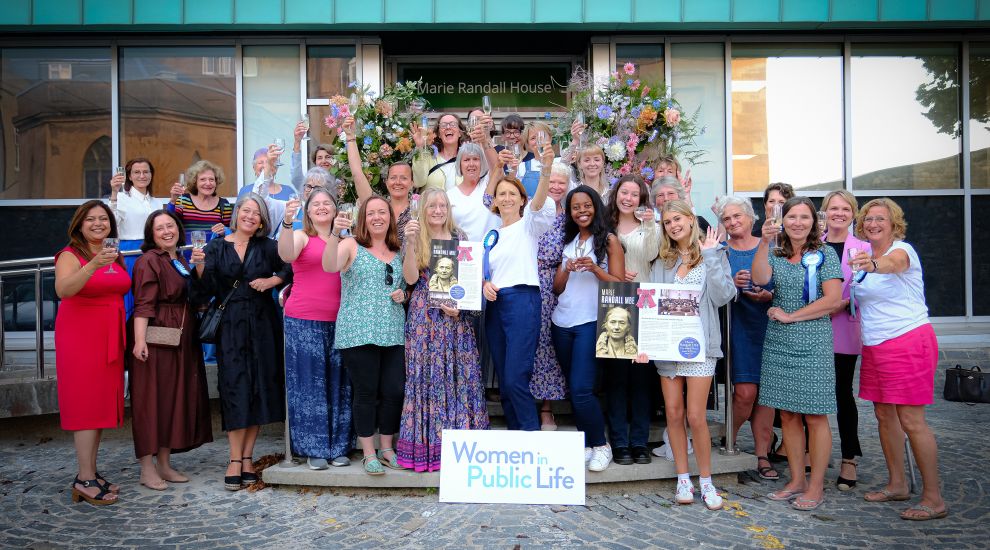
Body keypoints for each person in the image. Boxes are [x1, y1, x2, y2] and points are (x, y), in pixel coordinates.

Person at [850, 198, 946, 521]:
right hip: (876, 346)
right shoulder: (862, 257)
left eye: (880, 219)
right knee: (883, 415)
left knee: (911, 420)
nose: (873, 224)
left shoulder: (901, 251)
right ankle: (897, 484)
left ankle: (934, 498)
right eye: (868, 219)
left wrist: (874, 266)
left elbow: (895, 265)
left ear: (894, 224)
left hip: (907, 340)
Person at [191, 194, 289, 491]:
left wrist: (272, 282)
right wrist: (198, 267)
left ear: (262, 220)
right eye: (245, 211)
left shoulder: (268, 246)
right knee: (235, 387)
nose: (250, 216)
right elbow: (201, 292)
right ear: (236, 214)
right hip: (231, 324)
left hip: (262, 323)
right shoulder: (216, 247)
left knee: (258, 386)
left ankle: (248, 457)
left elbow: (289, 269)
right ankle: (234, 459)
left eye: (256, 213)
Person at [751, 196, 842, 512]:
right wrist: (763, 242)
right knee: (787, 414)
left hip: (813, 339)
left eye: (804, 217)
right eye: (792, 217)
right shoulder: (776, 252)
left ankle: (816, 485)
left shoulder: (825, 253)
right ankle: (797, 480)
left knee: (815, 415)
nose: (798, 222)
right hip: (779, 340)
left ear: (814, 222)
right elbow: (761, 279)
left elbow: (832, 300)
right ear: (783, 220)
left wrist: (793, 315)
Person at [643, 200, 735, 510]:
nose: (673, 225)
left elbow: (724, 297)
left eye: (677, 218)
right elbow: (651, 305)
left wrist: (709, 256)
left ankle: (706, 481)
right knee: (673, 413)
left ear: (690, 219)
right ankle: (683, 478)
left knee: (696, 417)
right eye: (667, 222)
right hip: (668, 347)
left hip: (700, 346)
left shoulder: (714, 252)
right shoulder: (661, 262)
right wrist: (644, 345)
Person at [397, 188, 488, 472]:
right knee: (427, 378)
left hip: (455, 319)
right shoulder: (414, 236)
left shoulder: (460, 237)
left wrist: (459, 306)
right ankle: (428, 448)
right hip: (425, 317)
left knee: (459, 376)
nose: (438, 210)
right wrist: (410, 243)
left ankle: (463, 449)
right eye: (432, 205)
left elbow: (470, 281)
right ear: (423, 209)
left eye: (443, 205)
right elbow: (410, 278)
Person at [322, 195, 407, 475]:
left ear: (390, 218)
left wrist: (403, 294)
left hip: (392, 330)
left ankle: (387, 448)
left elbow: (410, 282)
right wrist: (335, 233)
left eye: (382, 212)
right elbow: (329, 266)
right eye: (371, 213)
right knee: (366, 392)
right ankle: (368, 452)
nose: (377, 217)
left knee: (393, 391)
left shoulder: (399, 249)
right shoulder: (350, 245)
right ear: (363, 219)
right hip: (358, 331)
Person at [129, 209, 213, 489]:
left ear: (179, 229)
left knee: (173, 400)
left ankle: (164, 464)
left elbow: (198, 295)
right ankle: (146, 467)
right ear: (151, 235)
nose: (167, 231)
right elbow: (143, 303)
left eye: (170, 226)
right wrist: (140, 341)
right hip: (157, 336)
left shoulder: (180, 260)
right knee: (152, 401)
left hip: (182, 337)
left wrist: (199, 268)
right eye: (159, 228)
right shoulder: (148, 261)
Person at [54, 200, 130, 505]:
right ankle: (84, 478)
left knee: (98, 405)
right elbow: (63, 290)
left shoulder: (113, 253)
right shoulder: (70, 254)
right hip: (81, 337)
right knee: (85, 406)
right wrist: (92, 266)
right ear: (79, 224)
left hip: (109, 335)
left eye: (103, 219)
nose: (98, 224)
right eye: (91, 220)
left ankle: (91, 472)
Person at [277, 187, 353, 470]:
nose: (321, 207)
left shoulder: (346, 240)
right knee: (309, 386)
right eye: (316, 204)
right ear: (307, 211)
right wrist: (287, 221)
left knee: (339, 384)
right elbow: (285, 254)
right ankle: (313, 448)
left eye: (327, 203)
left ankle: (339, 446)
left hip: (342, 320)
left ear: (336, 210)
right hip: (303, 319)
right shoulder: (300, 236)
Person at [552, 185, 625, 472]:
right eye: (575, 207)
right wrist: (567, 268)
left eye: (586, 205)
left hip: (591, 321)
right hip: (562, 322)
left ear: (596, 206)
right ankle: (585, 443)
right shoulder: (568, 239)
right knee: (574, 387)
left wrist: (595, 269)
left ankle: (601, 444)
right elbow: (557, 288)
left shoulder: (608, 240)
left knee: (583, 389)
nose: (581, 211)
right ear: (570, 212)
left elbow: (620, 284)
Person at [482, 147, 556, 431]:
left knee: (516, 377)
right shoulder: (492, 234)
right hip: (496, 304)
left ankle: (531, 437)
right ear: (496, 201)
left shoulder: (529, 225)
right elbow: (484, 270)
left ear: (522, 199)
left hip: (523, 301)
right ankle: (517, 437)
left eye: (513, 194)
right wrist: (485, 284)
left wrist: (546, 169)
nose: (507, 198)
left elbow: (539, 203)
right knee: (504, 379)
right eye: (502, 194)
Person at [717, 196, 777, 480]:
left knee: (766, 394)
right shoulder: (720, 250)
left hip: (769, 325)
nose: (732, 222)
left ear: (751, 217)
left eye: (737, 216)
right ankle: (729, 437)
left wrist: (771, 294)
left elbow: (783, 283)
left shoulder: (771, 246)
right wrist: (733, 285)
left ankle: (762, 453)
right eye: (727, 218)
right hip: (737, 325)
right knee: (745, 392)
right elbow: (712, 287)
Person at [603, 174, 658, 465]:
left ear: (641, 199)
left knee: (640, 379)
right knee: (616, 380)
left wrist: (650, 224)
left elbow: (651, 253)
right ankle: (619, 442)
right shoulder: (605, 225)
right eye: (624, 192)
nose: (628, 198)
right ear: (616, 194)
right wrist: (614, 271)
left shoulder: (649, 227)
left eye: (634, 194)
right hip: (612, 306)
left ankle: (639, 442)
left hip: (643, 305)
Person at [821, 190, 869, 491]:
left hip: (844, 327)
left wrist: (839, 303)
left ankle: (849, 457)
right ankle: (814, 450)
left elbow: (868, 287)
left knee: (841, 393)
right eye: (833, 208)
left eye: (845, 208)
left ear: (853, 213)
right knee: (810, 391)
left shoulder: (863, 248)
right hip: (813, 327)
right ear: (824, 212)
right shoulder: (814, 244)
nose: (839, 213)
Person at [108, 157, 166, 317]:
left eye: (146, 172)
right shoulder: (121, 198)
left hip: (155, 252)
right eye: (137, 172)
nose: (142, 176)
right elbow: (111, 224)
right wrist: (114, 192)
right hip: (130, 252)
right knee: (131, 298)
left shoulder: (157, 202)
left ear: (151, 175)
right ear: (129, 176)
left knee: (152, 296)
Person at [342, 116, 413, 242]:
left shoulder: (418, 211)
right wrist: (350, 137)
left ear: (412, 183)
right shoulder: (376, 205)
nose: (398, 182)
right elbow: (357, 174)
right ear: (386, 182)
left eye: (403, 178)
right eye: (393, 178)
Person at [167, 160, 233, 249]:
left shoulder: (224, 204)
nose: (208, 183)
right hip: (187, 255)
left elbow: (231, 234)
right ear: (195, 182)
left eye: (211, 179)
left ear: (216, 182)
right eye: (203, 179)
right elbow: (170, 223)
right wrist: (173, 202)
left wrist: (224, 231)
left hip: (213, 257)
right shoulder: (184, 200)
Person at [447, 141, 500, 243]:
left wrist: (484, 140)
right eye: (466, 160)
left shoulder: (489, 184)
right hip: (464, 254)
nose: (471, 164)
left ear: (482, 163)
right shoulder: (449, 195)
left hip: (492, 252)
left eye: (475, 159)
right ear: (460, 165)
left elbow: (497, 167)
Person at [412, 113, 468, 190]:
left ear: (460, 133)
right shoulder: (428, 157)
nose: (448, 127)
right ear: (438, 134)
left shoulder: (468, 159)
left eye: (453, 124)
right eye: (443, 125)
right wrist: (420, 147)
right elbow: (418, 182)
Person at [514, 121, 555, 197]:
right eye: (533, 138)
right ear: (528, 143)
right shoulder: (521, 167)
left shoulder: (559, 162)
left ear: (550, 138)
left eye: (542, 136)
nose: (539, 141)